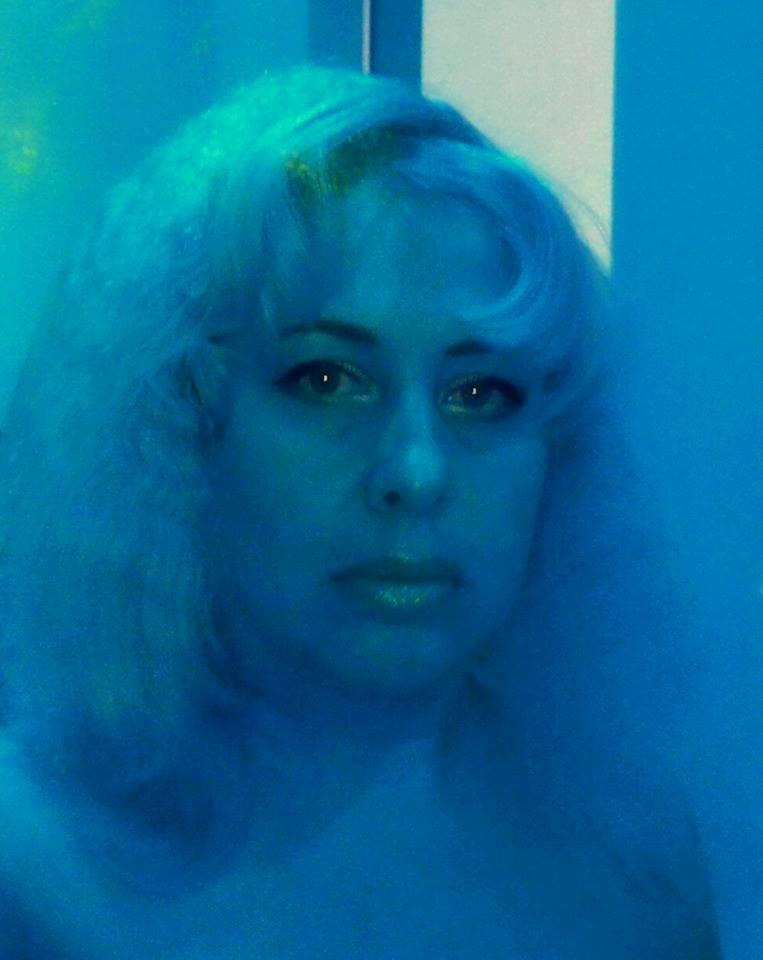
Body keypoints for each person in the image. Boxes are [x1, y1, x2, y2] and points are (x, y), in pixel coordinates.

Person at [0, 65, 720, 958]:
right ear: (182, 427)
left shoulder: (629, 856)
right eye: (327, 380)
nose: (415, 472)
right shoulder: (34, 867)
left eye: (481, 392)